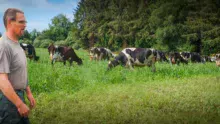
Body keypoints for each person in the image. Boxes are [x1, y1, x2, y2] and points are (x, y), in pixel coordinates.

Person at [0, 8, 36, 124]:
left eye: (25, 22)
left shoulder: (17, 45)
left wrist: (28, 92)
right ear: (10, 22)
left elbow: (21, 71)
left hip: (18, 96)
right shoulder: (4, 46)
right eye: (21, 22)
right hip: (8, 100)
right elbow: (2, 80)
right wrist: (19, 104)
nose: (25, 25)